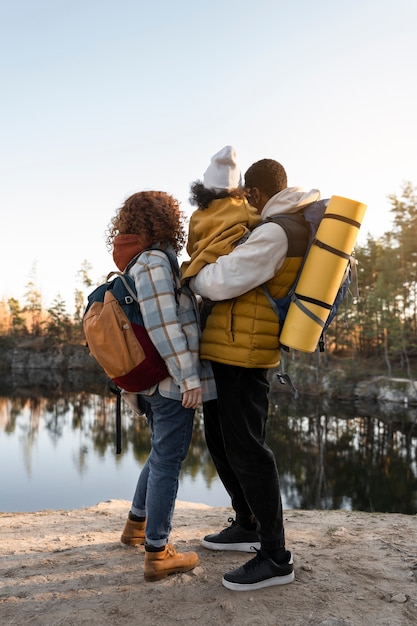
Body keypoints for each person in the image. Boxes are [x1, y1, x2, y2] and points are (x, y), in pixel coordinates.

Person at [190, 158, 321, 591]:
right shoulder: (280, 226)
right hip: (233, 347)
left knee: (249, 451)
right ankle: (247, 524)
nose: (244, 200)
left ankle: (275, 556)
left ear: (257, 194)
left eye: (248, 194)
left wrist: (193, 275)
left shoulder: (276, 232)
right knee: (222, 441)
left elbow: (220, 281)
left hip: (246, 355)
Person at [107, 190, 216, 582]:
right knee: (168, 461)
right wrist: (189, 377)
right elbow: (164, 325)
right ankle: (158, 551)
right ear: (167, 221)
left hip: (155, 381)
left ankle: (136, 525)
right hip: (168, 383)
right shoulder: (153, 261)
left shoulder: (141, 260)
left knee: (160, 454)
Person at [181, 145, 260, 284]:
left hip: (201, 267)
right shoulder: (242, 205)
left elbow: (191, 248)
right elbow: (257, 221)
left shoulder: (196, 216)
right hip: (233, 263)